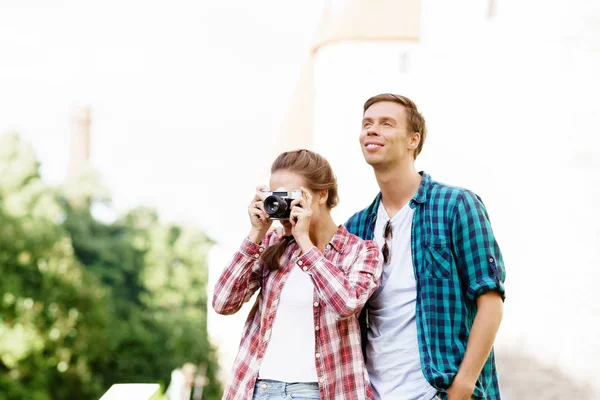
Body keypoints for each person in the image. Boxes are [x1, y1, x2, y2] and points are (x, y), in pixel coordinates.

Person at [345, 94, 506, 400]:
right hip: (375, 392)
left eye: (386, 123)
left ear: (412, 140)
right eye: (367, 124)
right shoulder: (357, 227)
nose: (372, 130)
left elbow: (491, 301)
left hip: (440, 391)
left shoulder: (456, 206)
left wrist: (463, 386)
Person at [213, 149, 383, 400]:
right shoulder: (272, 243)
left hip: (323, 392)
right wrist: (256, 233)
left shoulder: (361, 251)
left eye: (290, 196)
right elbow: (223, 303)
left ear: (322, 194)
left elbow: (346, 304)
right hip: (260, 390)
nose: (282, 205)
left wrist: (305, 240)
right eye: (275, 196)